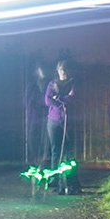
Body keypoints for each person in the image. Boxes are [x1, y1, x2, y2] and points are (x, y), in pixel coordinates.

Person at [43, 60, 76, 189]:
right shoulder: (52, 84)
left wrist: (58, 99)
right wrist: (62, 102)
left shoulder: (72, 84)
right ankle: (54, 179)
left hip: (68, 121)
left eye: (66, 70)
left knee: (68, 151)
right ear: (58, 71)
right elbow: (47, 100)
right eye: (62, 70)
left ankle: (68, 180)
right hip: (53, 121)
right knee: (55, 150)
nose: (64, 72)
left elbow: (73, 98)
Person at [22, 63, 49, 167]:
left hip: (45, 116)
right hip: (34, 116)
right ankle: (35, 158)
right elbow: (27, 100)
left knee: (45, 138)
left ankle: (44, 158)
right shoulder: (31, 85)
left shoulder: (48, 84)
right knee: (33, 136)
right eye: (40, 69)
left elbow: (46, 100)